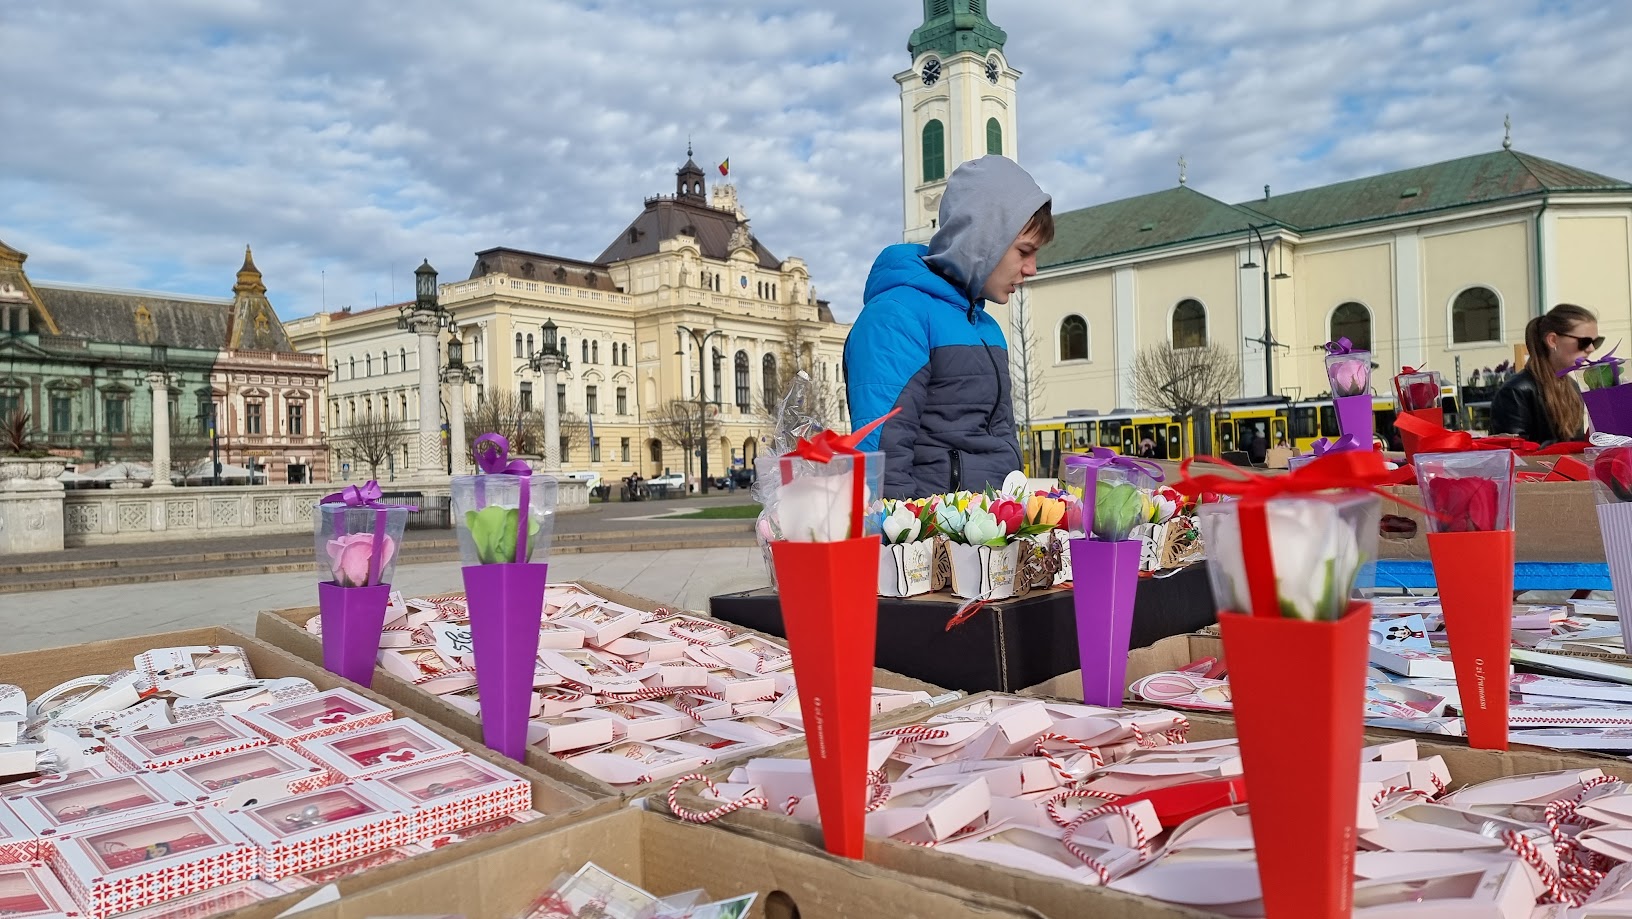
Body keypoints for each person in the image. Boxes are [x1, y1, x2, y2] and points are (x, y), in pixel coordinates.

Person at [844, 155, 1053, 498]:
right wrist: (905, 546)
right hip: (936, 541)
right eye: (1024, 252)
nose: (1032, 268)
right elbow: (881, 461)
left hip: (992, 532)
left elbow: (999, 443)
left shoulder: (984, 326)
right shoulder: (895, 317)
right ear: (983, 241)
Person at [1490, 303, 1599, 446]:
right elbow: (1513, 454)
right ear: (1552, 340)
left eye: (1596, 341)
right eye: (1584, 342)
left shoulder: (1573, 387)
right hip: (1533, 468)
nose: (1591, 349)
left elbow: (1574, 445)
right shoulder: (1515, 391)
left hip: (1563, 467)